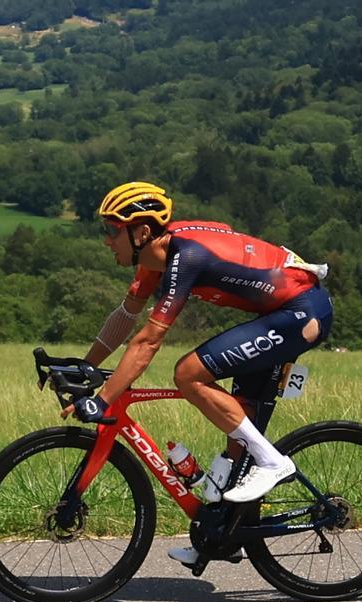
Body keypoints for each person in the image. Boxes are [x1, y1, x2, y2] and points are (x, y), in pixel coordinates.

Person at [69, 181, 334, 565]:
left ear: (141, 232)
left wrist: (103, 399)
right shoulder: (154, 260)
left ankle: (274, 462)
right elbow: (126, 317)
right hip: (278, 314)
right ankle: (221, 533)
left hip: (302, 312)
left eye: (112, 230)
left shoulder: (186, 255)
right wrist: (85, 366)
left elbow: (148, 342)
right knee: (238, 427)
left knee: (188, 373)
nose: (106, 240)